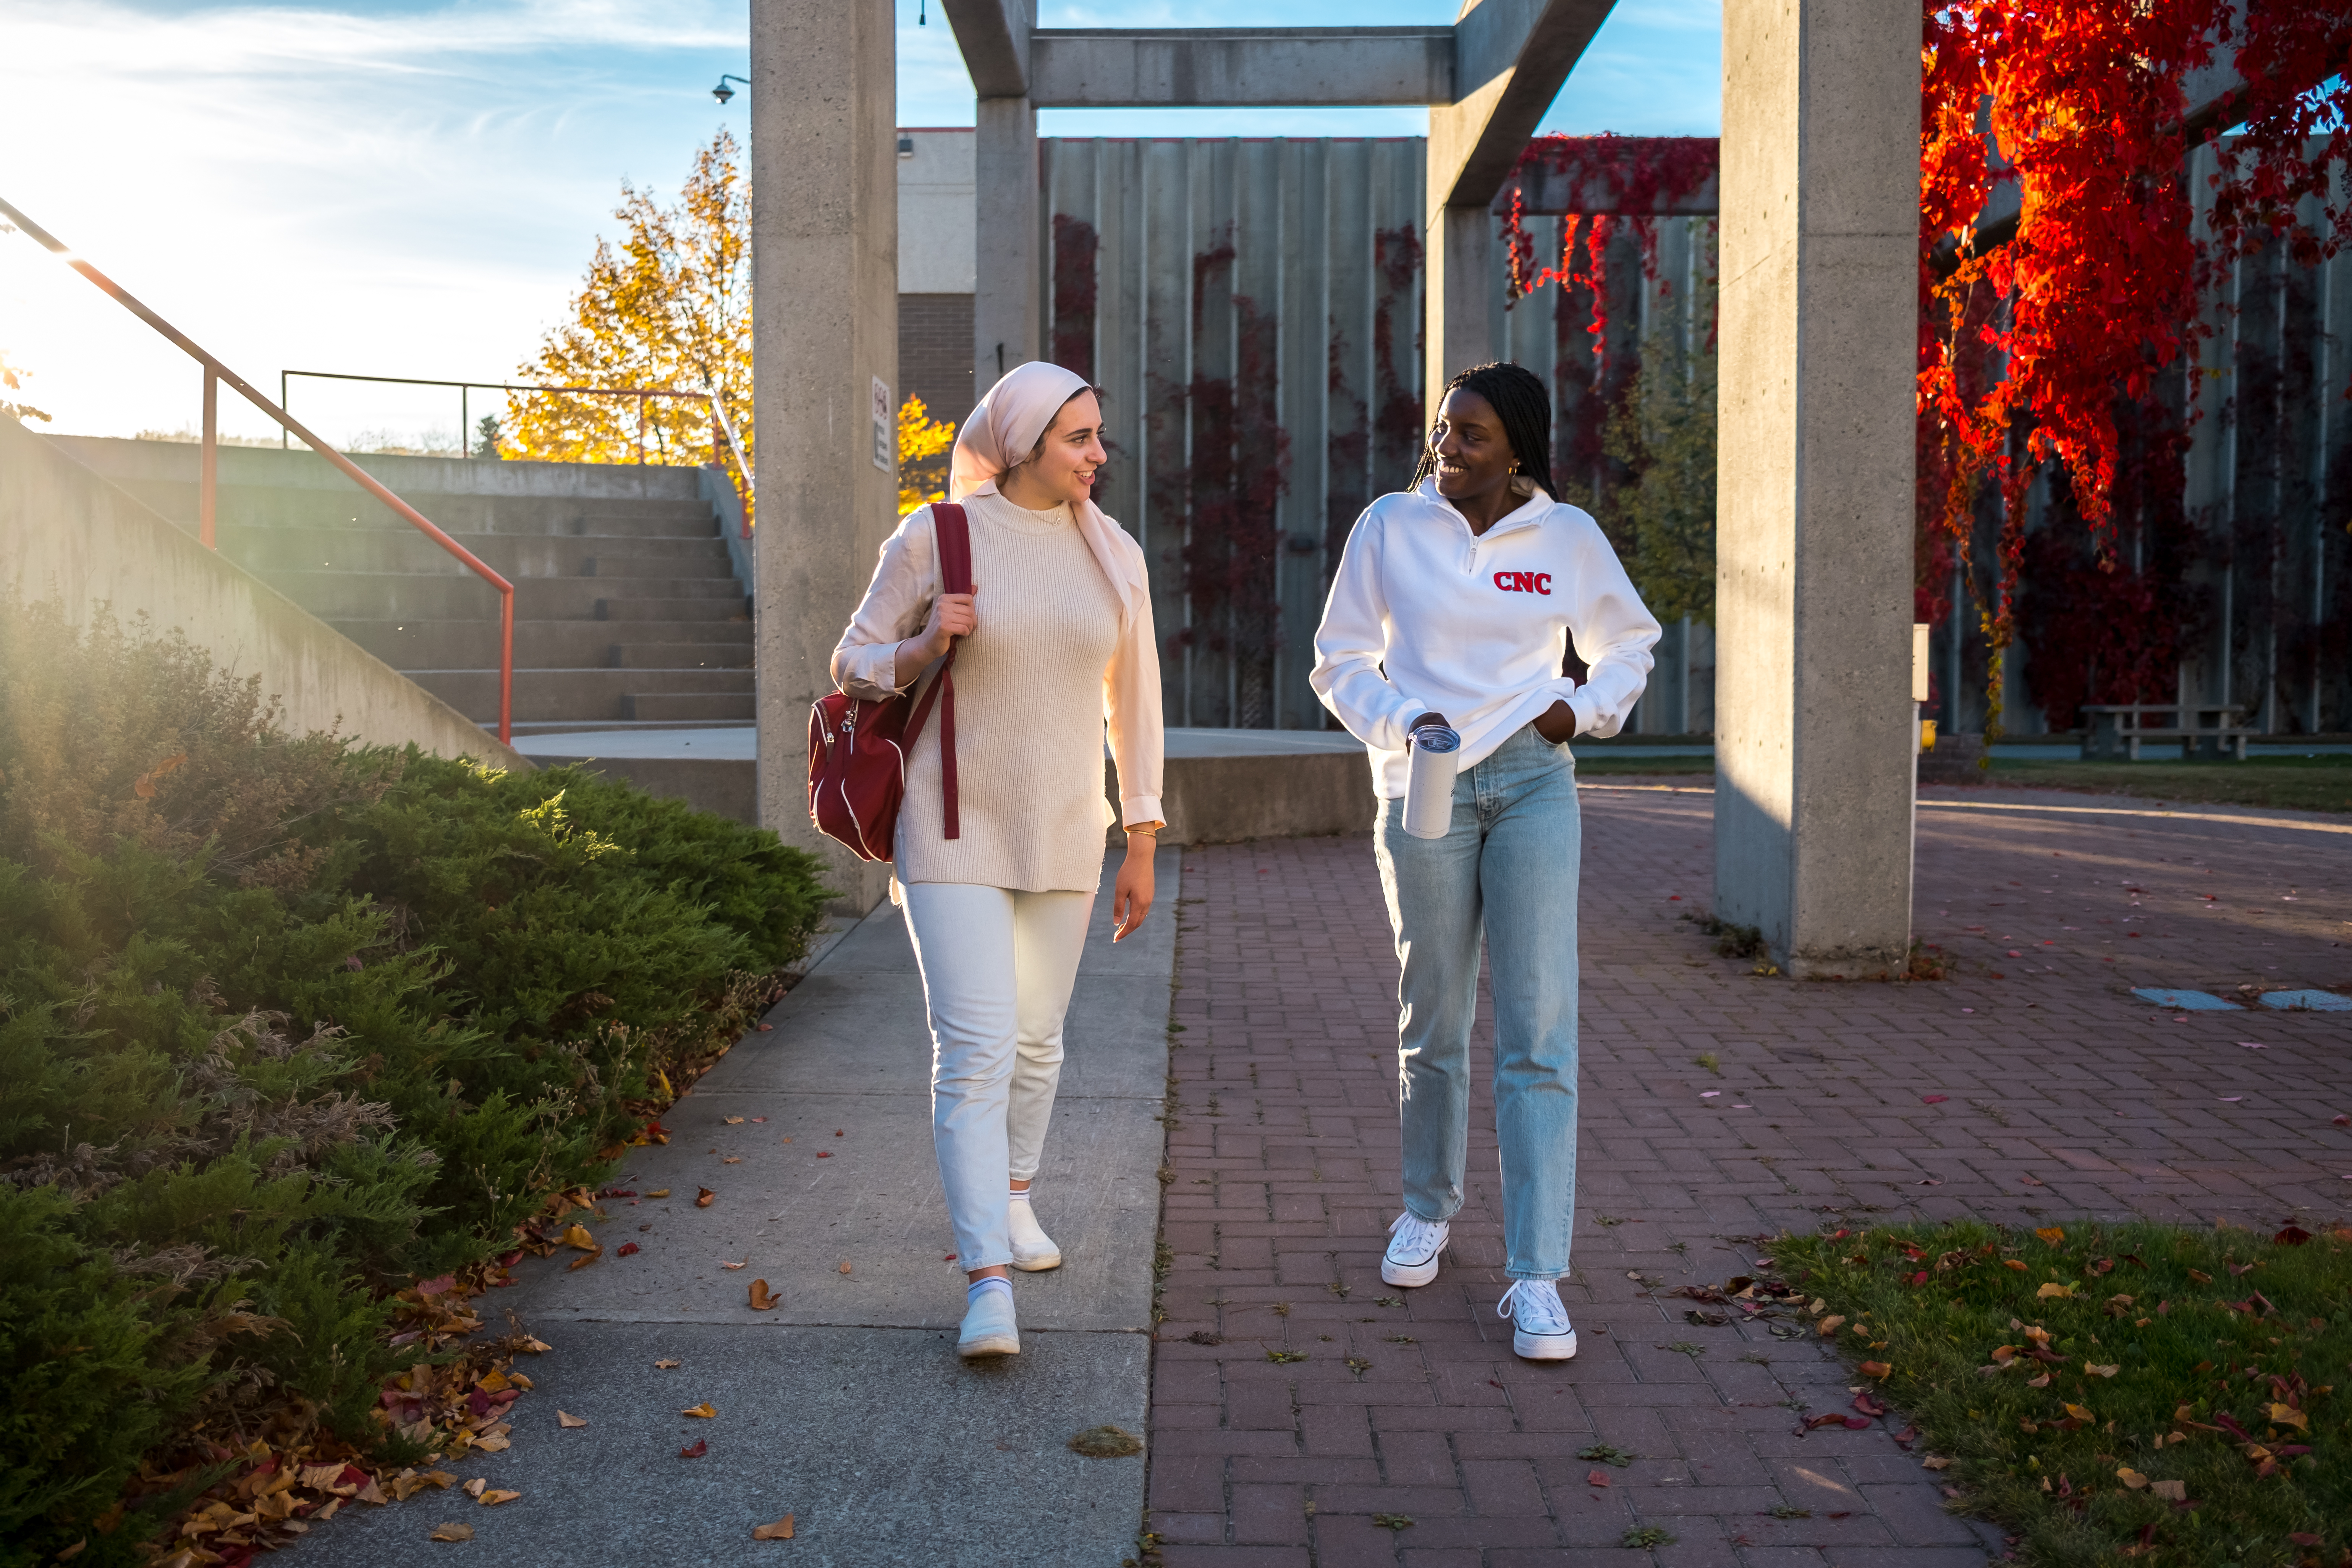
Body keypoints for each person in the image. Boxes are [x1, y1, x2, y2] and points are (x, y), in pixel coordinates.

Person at [1309, 361, 1660, 1361]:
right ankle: (1427, 1207)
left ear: (1517, 449)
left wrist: (1581, 708)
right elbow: (1339, 660)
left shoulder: (1565, 538)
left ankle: (1537, 1275)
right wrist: (1399, 718)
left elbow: (1627, 642)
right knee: (1436, 1009)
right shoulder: (1390, 526)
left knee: (1539, 1022)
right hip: (1425, 777)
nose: (1447, 449)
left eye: (1470, 436)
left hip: (1533, 776)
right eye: (1442, 431)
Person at [830, 361, 1165, 1360]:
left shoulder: (1115, 555)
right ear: (1022, 443)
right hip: (951, 824)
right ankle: (985, 1279)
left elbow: (1133, 705)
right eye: (1079, 438)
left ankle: (1016, 1198)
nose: (1099, 455)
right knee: (974, 1044)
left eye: (1099, 435)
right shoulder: (938, 536)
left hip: (1067, 825)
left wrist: (1141, 836)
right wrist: (925, 641)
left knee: (1036, 1038)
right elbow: (850, 659)